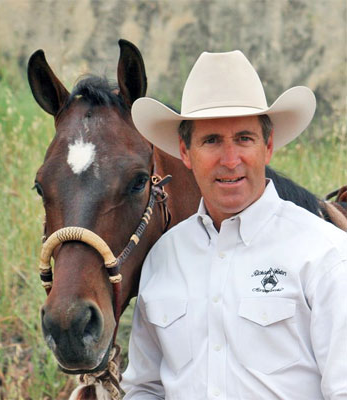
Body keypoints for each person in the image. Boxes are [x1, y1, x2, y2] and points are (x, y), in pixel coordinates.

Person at [121, 50, 347, 399]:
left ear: (267, 146)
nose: (230, 160)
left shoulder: (326, 255)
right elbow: (143, 388)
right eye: (211, 141)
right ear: (185, 151)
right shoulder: (163, 258)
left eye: (244, 138)